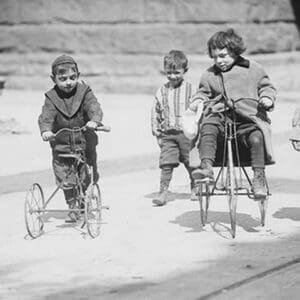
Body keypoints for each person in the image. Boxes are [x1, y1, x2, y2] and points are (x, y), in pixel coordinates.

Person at [190, 29, 276, 199]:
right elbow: (203, 92)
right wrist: (198, 100)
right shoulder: (209, 74)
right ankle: (206, 168)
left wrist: (267, 98)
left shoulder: (254, 69)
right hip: (220, 117)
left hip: (247, 117)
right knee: (208, 127)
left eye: (223, 55)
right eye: (214, 57)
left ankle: (258, 177)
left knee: (257, 136)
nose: (218, 61)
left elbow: (267, 87)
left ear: (235, 51)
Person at [38, 54, 103, 222]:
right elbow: (46, 116)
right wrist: (46, 130)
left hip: (84, 141)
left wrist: (94, 120)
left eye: (72, 77)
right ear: (54, 79)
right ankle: (72, 205)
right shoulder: (51, 98)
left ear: (78, 76)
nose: (68, 82)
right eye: (63, 78)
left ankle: (83, 199)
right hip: (62, 144)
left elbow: (93, 106)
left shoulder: (84, 91)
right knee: (65, 177)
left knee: (85, 175)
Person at [151, 50, 197, 206]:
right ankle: (163, 191)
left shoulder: (192, 90)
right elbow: (155, 112)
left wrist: (198, 130)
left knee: (191, 161)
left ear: (185, 71)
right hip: (168, 134)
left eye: (176, 72)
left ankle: (195, 186)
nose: (172, 76)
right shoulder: (161, 91)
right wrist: (157, 133)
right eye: (169, 72)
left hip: (187, 134)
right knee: (166, 162)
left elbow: (199, 111)